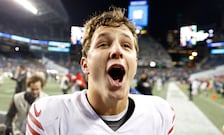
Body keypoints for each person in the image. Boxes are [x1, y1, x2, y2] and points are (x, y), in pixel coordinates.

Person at [26, 7, 175, 135]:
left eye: (126, 45)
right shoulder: (48, 116)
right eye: (103, 44)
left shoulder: (161, 114)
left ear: (135, 64)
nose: (117, 50)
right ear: (85, 65)